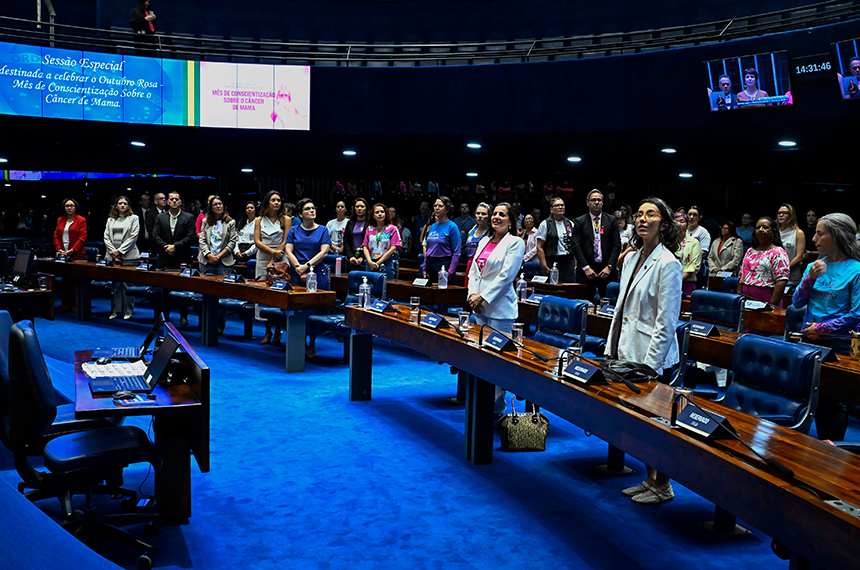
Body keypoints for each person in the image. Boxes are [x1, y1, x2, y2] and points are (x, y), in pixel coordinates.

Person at [605, 197, 682, 505]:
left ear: (663, 224)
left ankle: (663, 485)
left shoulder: (669, 263)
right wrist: (611, 349)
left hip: (653, 359)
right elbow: (622, 307)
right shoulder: (633, 256)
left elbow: (667, 321)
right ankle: (651, 480)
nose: (643, 219)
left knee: (656, 425)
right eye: (639, 214)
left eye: (651, 214)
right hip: (627, 349)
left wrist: (650, 366)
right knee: (638, 422)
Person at [792, 213, 860, 440]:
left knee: (831, 403)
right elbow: (796, 302)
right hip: (807, 342)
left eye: (820, 234)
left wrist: (821, 329)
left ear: (837, 237)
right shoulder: (814, 265)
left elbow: (856, 315)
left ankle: (831, 456)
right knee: (802, 399)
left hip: (836, 347)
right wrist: (809, 279)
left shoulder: (856, 270)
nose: (814, 239)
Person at [467, 202, 525, 414]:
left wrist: (483, 297)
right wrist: (472, 295)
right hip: (480, 308)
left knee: (498, 359)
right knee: (481, 358)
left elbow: (506, 276)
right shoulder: (484, 240)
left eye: (502, 215)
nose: (496, 217)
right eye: (495, 214)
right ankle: (482, 402)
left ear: (510, 222)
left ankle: (496, 408)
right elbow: (474, 271)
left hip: (500, 308)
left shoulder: (515, 243)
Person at [572, 190, 621, 301]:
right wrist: (586, 267)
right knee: (584, 304)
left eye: (599, 200)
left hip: (606, 270)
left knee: (607, 304)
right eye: (593, 200)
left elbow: (617, 245)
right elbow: (575, 246)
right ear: (587, 203)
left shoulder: (611, 220)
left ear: (603, 203)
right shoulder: (580, 221)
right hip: (586, 270)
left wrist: (609, 267)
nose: (596, 202)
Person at [255, 190, 290, 344]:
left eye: (279, 200)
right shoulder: (259, 220)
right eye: (273, 200)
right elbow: (257, 241)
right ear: (267, 202)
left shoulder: (286, 219)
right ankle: (267, 330)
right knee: (263, 295)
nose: (277, 203)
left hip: (281, 256)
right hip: (263, 256)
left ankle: (278, 331)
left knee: (278, 293)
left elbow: (286, 239)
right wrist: (271, 252)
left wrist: (277, 253)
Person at [738, 217, 790, 305]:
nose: (761, 230)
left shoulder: (778, 252)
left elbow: (781, 281)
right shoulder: (750, 251)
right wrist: (738, 297)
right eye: (758, 227)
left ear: (773, 231)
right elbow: (741, 275)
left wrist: (772, 305)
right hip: (745, 299)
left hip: (766, 298)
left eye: (765, 227)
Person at [103, 195, 140, 320]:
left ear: (128, 206)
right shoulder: (110, 220)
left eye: (125, 203)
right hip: (113, 256)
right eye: (120, 203)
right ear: (116, 205)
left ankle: (128, 311)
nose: (122, 205)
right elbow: (106, 237)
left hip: (129, 255)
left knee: (128, 285)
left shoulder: (134, 218)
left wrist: (119, 251)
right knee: (116, 285)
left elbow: (133, 237)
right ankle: (115, 310)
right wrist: (113, 252)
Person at [285, 198, 331, 287]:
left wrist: (306, 267)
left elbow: (324, 253)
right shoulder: (293, 230)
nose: (312, 210)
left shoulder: (323, 230)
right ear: (300, 214)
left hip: (316, 270)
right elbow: (288, 252)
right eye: (307, 209)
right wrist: (299, 269)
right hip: (296, 270)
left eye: (313, 208)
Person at [53, 198, 87, 312]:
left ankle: (77, 305)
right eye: (67, 206)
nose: (69, 207)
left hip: (77, 254)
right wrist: (59, 249)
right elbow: (56, 236)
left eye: (71, 205)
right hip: (63, 254)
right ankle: (66, 304)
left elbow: (82, 237)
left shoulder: (81, 220)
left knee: (76, 281)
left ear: (75, 207)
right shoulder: (60, 220)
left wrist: (72, 250)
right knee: (66, 280)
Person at [422, 196, 461, 284]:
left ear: (447, 209)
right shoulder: (432, 227)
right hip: (430, 263)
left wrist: (450, 273)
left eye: (440, 206)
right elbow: (428, 250)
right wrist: (424, 268)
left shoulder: (452, 227)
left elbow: (457, 253)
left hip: (443, 264)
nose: (437, 208)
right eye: (435, 206)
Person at [152, 192, 196, 268]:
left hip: (183, 257)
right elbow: (155, 235)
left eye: (177, 199)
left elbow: (191, 236)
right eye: (172, 199)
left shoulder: (189, 217)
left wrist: (175, 246)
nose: (174, 201)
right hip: (164, 256)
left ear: (180, 202)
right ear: (168, 202)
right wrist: (167, 247)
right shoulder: (160, 217)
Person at [536, 197, 575, 282]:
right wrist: (543, 264)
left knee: (568, 287)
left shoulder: (570, 223)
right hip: (552, 260)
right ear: (551, 209)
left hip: (568, 260)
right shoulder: (545, 224)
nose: (560, 207)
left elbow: (575, 245)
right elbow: (540, 246)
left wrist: (575, 263)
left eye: (562, 205)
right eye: (557, 205)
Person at [198, 196, 238, 276]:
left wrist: (218, 256)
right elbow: (202, 240)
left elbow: (232, 242)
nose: (218, 206)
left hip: (224, 260)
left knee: (224, 287)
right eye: (215, 204)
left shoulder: (230, 222)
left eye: (220, 204)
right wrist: (209, 255)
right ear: (211, 208)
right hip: (207, 260)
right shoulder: (206, 221)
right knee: (207, 286)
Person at [362, 203, 401, 279]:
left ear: (386, 214)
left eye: (382, 212)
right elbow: (365, 247)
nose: (380, 214)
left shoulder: (392, 229)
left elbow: (393, 248)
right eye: (377, 212)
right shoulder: (369, 229)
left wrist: (379, 262)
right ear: (373, 215)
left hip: (386, 263)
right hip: (371, 263)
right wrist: (369, 261)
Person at [464, 203, 492, 285]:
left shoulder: (491, 233)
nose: (480, 216)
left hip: (483, 265)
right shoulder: (471, 231)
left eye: (483, 214)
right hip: (470, 263)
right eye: (478, 213)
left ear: (489, 216)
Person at [776, 203, 806, 282]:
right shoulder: (774, 232)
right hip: (774, 274)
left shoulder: (798, 233)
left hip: (791, 274)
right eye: (779, 213)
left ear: (791, 215)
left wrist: (785, 269)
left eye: (785, 213)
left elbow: (799, 256)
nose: (781, 215)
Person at [674, 211, 701, 296]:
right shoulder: (668, 242)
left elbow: (694, 266)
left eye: (682, 221)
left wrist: (677, 280)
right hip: (668, 282)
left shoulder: (694, 242)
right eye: (676, 221)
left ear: (687, 224)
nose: (679, 224)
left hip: (687, 283)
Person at [345, 198, 370, 271]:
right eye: (357, 206)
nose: (359, 209)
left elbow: (370, 242)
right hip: (352, 256)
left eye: (362, 206)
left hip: (365, 257)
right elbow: (346, 241)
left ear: (366, 208)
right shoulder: (350, 222)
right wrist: (350, 256)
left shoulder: (370, 223)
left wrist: (362, 257)